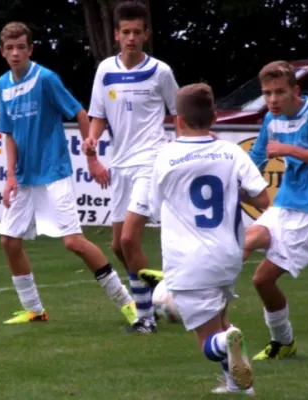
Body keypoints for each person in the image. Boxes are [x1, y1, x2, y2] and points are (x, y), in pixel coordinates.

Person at [0, 21, 136, 325]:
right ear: (2, 51)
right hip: (23, 177)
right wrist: (10, 176)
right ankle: (34, 309)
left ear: (30, 49)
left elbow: (80, 113)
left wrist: (92, 159)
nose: (16, 53)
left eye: (22, 47)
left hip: (54, 172)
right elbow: (8, 134)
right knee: (9, 240)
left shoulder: (46, 79)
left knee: (73, 242)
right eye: (10, 48)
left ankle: (129, 303)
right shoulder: (2, 85)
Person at [149, 83, 270, 395]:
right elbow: (262, 198)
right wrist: (234, 192)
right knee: (221, 319)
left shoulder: (166, 156)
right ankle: (238, 386)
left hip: (189, 260)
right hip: (230, 254)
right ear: (214, 116)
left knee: (209, 341)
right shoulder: (231, 151)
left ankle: (224, 345)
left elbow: (152, 207)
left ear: (178, 119)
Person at [84, 1, 179, 333]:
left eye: (138, 32)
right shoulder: (105, 70)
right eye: (126, 32)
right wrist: (93, 142)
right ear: (116, 35)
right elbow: (97, 115)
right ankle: (160, 295)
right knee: (116, 246)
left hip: (150, 161)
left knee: (128, 239)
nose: (131, 38)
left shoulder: (160, 72)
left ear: (146, 34)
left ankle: (147, 316)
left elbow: (178, 113)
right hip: (120, 163)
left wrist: (183, 151)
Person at [244, 60, 308, 360]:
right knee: (244, 241)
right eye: (267, 93)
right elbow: (255, 162)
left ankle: (283, 341)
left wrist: (289, 150)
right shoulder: (270, 120)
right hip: (285, 205)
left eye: (280, 92)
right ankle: (200, 302)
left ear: (295, 90)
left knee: (262, 280)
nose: (273, 100)